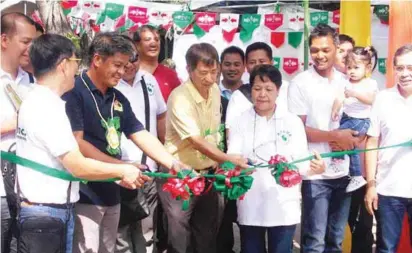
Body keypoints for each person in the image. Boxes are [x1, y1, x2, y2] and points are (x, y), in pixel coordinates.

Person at [15, 33, 149, 253]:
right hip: (46, 216)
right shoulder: (46, 107)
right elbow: (78, 165)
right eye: (75, 63)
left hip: (49, 213)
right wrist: (122, 170)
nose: (77, 70)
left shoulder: (40, 100)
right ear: (63, 65)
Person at [63, 32, 185, 253]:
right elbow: (78, 144)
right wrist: (121, 167)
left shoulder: (117, 97)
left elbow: (140, 133)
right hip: (85, 193)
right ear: (97, 60)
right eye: (117, 65)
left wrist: (172, 163)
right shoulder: (75, 92)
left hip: (113, 191)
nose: (122, 72)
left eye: (125, 65)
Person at [158, 43, 249, 253]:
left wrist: (218, 162)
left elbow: (214, 133)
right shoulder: (179, 97)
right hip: (180, 176)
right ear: (189, 70)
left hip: (208, 175)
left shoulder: (215, 90)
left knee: (207, 236)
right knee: (179, 237)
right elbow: (196, 140)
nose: (209, 78)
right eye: (203, 73)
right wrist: (228, 158)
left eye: (214, 72)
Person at [228, 64, 326, 253]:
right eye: (257, 89)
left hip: (283, 205)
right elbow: (233, 156)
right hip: (251, 203)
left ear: (278, 91)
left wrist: (315, 168)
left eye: (268, 89)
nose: (262, 94)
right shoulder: (240, 120)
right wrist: (236, 167)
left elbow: (301, 163)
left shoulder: (292, 122)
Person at [288, 23, 361, 253]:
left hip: (345, 173)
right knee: (314, 242)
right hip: (315, 173)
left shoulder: (347, 81)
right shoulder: (300, 83)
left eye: (326, 50)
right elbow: (297, 128)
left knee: (335, 241)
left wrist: (352, 139)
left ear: (336, 48)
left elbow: (364, 121)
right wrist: (334, 136)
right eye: (315, 50)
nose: (320, 55)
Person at [115, 35, 167, 253]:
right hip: (119, 173)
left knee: (147, 234)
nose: (129, 65)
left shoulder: (149, 80)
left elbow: (161, 118)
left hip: (148, 172)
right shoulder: (110, 83)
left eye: (133, 58)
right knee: (120, 237)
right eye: (123, 61)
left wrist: (163, 158)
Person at [365, 44, 412, 253]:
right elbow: (372, 142)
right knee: (386, 248)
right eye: (400, 68)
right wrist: (371, 185)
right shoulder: (383, 99)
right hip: (388, 190)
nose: (405, 74)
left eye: (410, 68)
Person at [0, 12, 37, 253]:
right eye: (25, 42)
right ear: (4, 40)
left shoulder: (31, 80)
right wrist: (14, 123)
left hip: (27, 190)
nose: (31, 48)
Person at [331, 46, 379, 192]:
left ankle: (357, 174)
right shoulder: (345, 81)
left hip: (360, 120)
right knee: (338, 138)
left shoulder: (370, 83)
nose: (351, 71)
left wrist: (355, 94)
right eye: (349, 67)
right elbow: (340, 96)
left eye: (356, 67)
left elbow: (372, 100)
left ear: (368, 68)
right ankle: (339, 163)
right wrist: (335, 109)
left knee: (348, 143)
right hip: (346, 117)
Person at [216, 45, 245, 253]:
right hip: (219, 164)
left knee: (247, 220)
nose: (232, 68)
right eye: (227, 64)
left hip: (245, 165)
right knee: (222, 218)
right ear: (220, 66)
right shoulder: (212, 93)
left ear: (244, 67)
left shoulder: (253, 93)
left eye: (237, 64)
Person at [225, 42, 289, 135]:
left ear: (271, 62)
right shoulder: (239, 95)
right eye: (252, 62)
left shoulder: (288, 88)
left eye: (262, 61)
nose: (257, 66)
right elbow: (230, 132)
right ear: (246, 66)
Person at [133, 25, 180, 102]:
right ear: (137, 45)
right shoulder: (129, 73)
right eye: (147, 40)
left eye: (157, 40)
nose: (153, 44)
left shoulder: (170, 74)